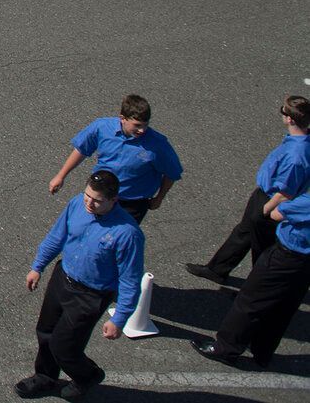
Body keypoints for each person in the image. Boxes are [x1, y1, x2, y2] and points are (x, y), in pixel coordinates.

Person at [16, 170, 144, 401]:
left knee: (64, 347)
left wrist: (119, 318)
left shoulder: (127, 233)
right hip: (63, 278)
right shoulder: (77, 204)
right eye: (87, 195)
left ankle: (87, 375)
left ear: (114, 201)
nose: (89, 203)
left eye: (97, 200)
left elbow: (130, 279)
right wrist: (38, 266)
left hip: (91, 294)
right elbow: (57, 236)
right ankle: (45, 377)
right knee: (45, 332)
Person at [186, 96, 310, 285]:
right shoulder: (300, 140)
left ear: (290, 119)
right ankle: (217, 269)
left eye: (282, 111)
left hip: (270, 201)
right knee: (243, 232)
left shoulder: (296, 155)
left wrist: (265, 210)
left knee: (262, 248)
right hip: (263, 195)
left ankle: (257, 286)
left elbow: (286, 192)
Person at [192, 190, 310, 369]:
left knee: (250, 300)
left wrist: (279, 199)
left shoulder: (306, 201)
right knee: (283, 307)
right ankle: (263, 352)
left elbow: (275, 214)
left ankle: (226, 348)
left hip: (288, 255)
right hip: (305, 265)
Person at [49, 95, 183, 225]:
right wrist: (61, 176)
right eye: (137, 125)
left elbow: (172, 173)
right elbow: (81, 149)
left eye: (145, 125)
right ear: (122, 118)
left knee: (118, 241)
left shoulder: (158, 145)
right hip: (99, 194)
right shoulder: (101, 128)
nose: (142, 130)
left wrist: (159, 198)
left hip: (131, 205)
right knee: (84, 231)